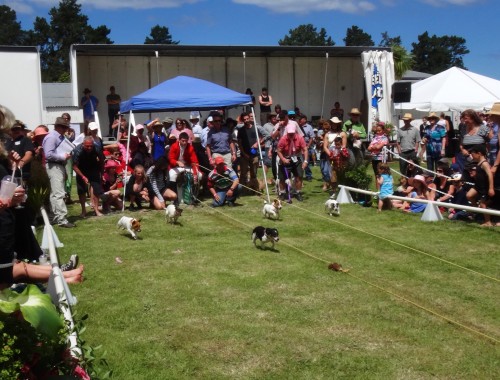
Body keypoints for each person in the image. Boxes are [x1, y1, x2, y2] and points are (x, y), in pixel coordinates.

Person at [42, 117, 75, 228]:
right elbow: (49, 154)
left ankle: (54, 217)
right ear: (58, 127)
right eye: (64, 127)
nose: (66, 129)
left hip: (57, 165)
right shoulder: (52, 137)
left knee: (55, 193)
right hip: (54, 165)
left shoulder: (58, 137)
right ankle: (62, 219)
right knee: (59, 193)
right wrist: (63, 156)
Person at [72, 136, 107, 218]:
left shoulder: (97, 148)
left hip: (93, 168)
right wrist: (83, 176)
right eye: (87, 146)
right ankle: (83, 211)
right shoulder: (77, 150)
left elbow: (102, 161)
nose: (89, 148)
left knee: (96, 189)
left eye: (91, 146)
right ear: (83, 144)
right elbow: (74, 166)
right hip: (81, 169)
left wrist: (102, 174)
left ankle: (96, 210)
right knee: (81, 190)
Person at [276, 123, 308, 202]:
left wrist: (305, 161)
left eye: (292, 133)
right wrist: (283, 159)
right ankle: (282, 193)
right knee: (282, 177)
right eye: (289, 133)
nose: (291, 135)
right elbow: (278, 151)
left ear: (295, 132)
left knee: (299, 176)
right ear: (287, 132)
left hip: (296, 158)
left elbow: (305, 149)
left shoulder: (300, 138)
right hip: (285, 158)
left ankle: (298, 192)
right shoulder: (283, 139)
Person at [466, 145, 495, 226]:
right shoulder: (478, 163)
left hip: (484, 188)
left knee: (483, 204)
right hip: (478, 186)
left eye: (473, 154)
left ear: (479, 153)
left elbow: (490, 175)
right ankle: (476, 207)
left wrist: (491, 188)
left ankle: (488, 222)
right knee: (469, 195)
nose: (471, 156)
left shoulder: (484, 163)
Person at [168, 132, 202, 199]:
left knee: (199, 175)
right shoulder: (174, 146)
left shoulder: (190, 148)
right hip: (175, 166)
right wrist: (177, 162)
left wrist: (195, 174)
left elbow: (195, 162)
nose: (184, 142)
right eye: (183, 141)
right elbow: (170, 159)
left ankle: (192, 196)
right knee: (172, 176)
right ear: (179, 140)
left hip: (187, 166)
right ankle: (175, 197)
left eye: (186, 141)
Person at [238, 112, 263, 192]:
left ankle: (254, 188)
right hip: (244, 155)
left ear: (249, 118)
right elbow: (239, 143)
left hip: (254, 154)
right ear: (242, 120)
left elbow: (260, 138)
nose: (246, 120)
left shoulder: (255, 128)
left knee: (254, 173)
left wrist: (256, 144)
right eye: (244, 119)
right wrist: (244, 154)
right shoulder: (241, 130)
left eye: (247, 119)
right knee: (243, 173)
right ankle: (241, 189)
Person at [297, 114, 315, 181]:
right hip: (299, 147)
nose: (300, 120)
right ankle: (299, 174)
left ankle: (308, 175)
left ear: (305, 119)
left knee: (306, 161)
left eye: (301, 119)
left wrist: (307, 146)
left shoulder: (309, 127)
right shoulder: (298, 126)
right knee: (299, 162)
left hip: (306, 146)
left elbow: (311, 137)